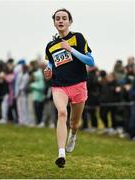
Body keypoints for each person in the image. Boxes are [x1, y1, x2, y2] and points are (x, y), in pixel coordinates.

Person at [43, 8, 95, 168]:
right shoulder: (50, 45)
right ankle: (61, 154)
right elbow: (51, 62)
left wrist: (71, 49)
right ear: (54, 22)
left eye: (64, 18)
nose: (60, 21)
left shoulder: (78, 38)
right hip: (59, 86)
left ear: (69, 22)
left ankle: (73, 135)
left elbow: (91, 62)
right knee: (62, 113)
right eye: (57, 18)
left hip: (79, 84)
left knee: (74, 122)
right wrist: (48, 70)